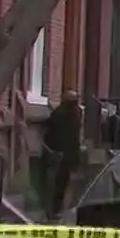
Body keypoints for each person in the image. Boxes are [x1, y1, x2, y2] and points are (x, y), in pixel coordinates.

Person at [41, 90, 84, 220]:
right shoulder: (74, 114)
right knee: (61, 184)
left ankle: (55, 210)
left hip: (61, 153)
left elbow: (51, 130)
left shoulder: (61, 113)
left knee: (58, 184)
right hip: (66, 153)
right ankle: (57, 210)